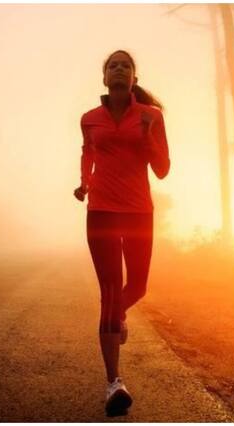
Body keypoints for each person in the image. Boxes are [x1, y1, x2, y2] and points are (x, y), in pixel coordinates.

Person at [73, 49, 170, 414]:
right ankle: (114, 382)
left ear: (134, 77)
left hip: (139, 211)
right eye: (112, 65)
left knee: (138, 286)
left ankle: (119, 317)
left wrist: (147, 138)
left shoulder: (151, 116)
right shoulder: (89, 119)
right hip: (101, 211)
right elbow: (88, 153)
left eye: (125, 65)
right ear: (105, 77)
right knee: (111, 294)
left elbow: (162, 169)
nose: (118, 69)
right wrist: (84, 183)